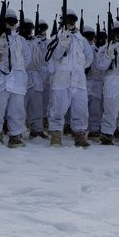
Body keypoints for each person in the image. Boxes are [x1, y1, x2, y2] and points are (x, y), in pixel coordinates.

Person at [0, 9, 31, 148]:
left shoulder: (20, 40)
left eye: (13, 21)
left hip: (16, 81)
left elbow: (26, 58)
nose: (11, 24)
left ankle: (15, 135)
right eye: (8, 21)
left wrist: (18, 70)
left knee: (17, 110)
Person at [47, 9, 94, 147]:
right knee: (58, 108)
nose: (71, 22)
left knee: (81, 109)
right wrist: (62, 44)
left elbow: (89, 57)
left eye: (73, 20)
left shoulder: (81, 39)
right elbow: (54, 57)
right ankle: (56, 135)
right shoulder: (56, 37)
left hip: (79, 80)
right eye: (68, 19)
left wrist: (79, 68)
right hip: (62, 79)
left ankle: (79, 135)